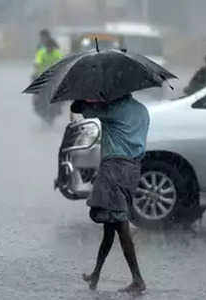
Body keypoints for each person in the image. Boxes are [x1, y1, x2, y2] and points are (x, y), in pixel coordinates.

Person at [71, 95, 149, 293]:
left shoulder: (114, 109)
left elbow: (79, 108)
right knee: (110, 226)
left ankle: (138, 279)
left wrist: (80, 95)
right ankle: (95, 274)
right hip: (132, 169)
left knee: (120, 224)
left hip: (114, 169)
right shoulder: (142, 110)